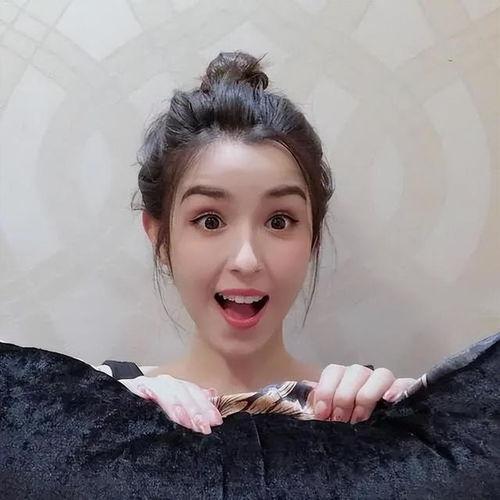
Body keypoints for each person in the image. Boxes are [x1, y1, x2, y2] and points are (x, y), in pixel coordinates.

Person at [94, 51, 416, 436]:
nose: (246, 260)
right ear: (159, 238)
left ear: (313, 238)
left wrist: (401, 424)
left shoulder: (360, 407)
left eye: (279, 221)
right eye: (210, 221)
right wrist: (116, 418)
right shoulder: (98, 401)